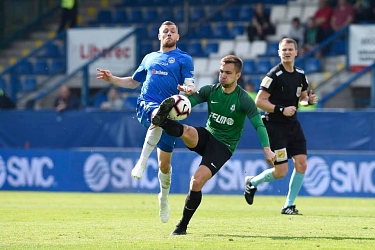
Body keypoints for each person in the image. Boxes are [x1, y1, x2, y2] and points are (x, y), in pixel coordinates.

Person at [151, 55, 276, 235]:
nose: (223, 75)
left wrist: (267, 149)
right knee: (187, 131)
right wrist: (181, 100)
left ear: (238, 75)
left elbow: (258, 124)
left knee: (196, 181)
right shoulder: (210, 90)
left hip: (223, 146)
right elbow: (188, 103)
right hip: (207, 135)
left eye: (228, 73)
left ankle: (182, 227)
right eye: (221, 71)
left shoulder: (244, 99)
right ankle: (160, 120)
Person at [96, 21, 195, 223]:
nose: (169, 33)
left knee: (164, 165)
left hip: (170, 112)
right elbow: (133, 82)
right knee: (157, 115)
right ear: (159, 36)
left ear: (177, 37)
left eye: (173, 31)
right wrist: (112, 78)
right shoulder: (149, 58)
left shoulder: (184, 59)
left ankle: (164, 198)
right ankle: (141, 163)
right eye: (165, 31)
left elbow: (190, 85)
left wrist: (188, 91)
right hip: (146, 104)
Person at [244, 38, 317, 215]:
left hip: (293, 125)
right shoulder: (274, 75)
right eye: (283, 49)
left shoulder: (300, 74)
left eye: (290, 49)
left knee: (302, 163)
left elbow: (303, 97)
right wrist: (281, 109)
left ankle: (288, 205)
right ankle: (252, 183)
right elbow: (259, 101)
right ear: (279, 53)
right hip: (275, 127)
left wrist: (308, 101)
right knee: (281, 171)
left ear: (296, 52)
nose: (287, 52)